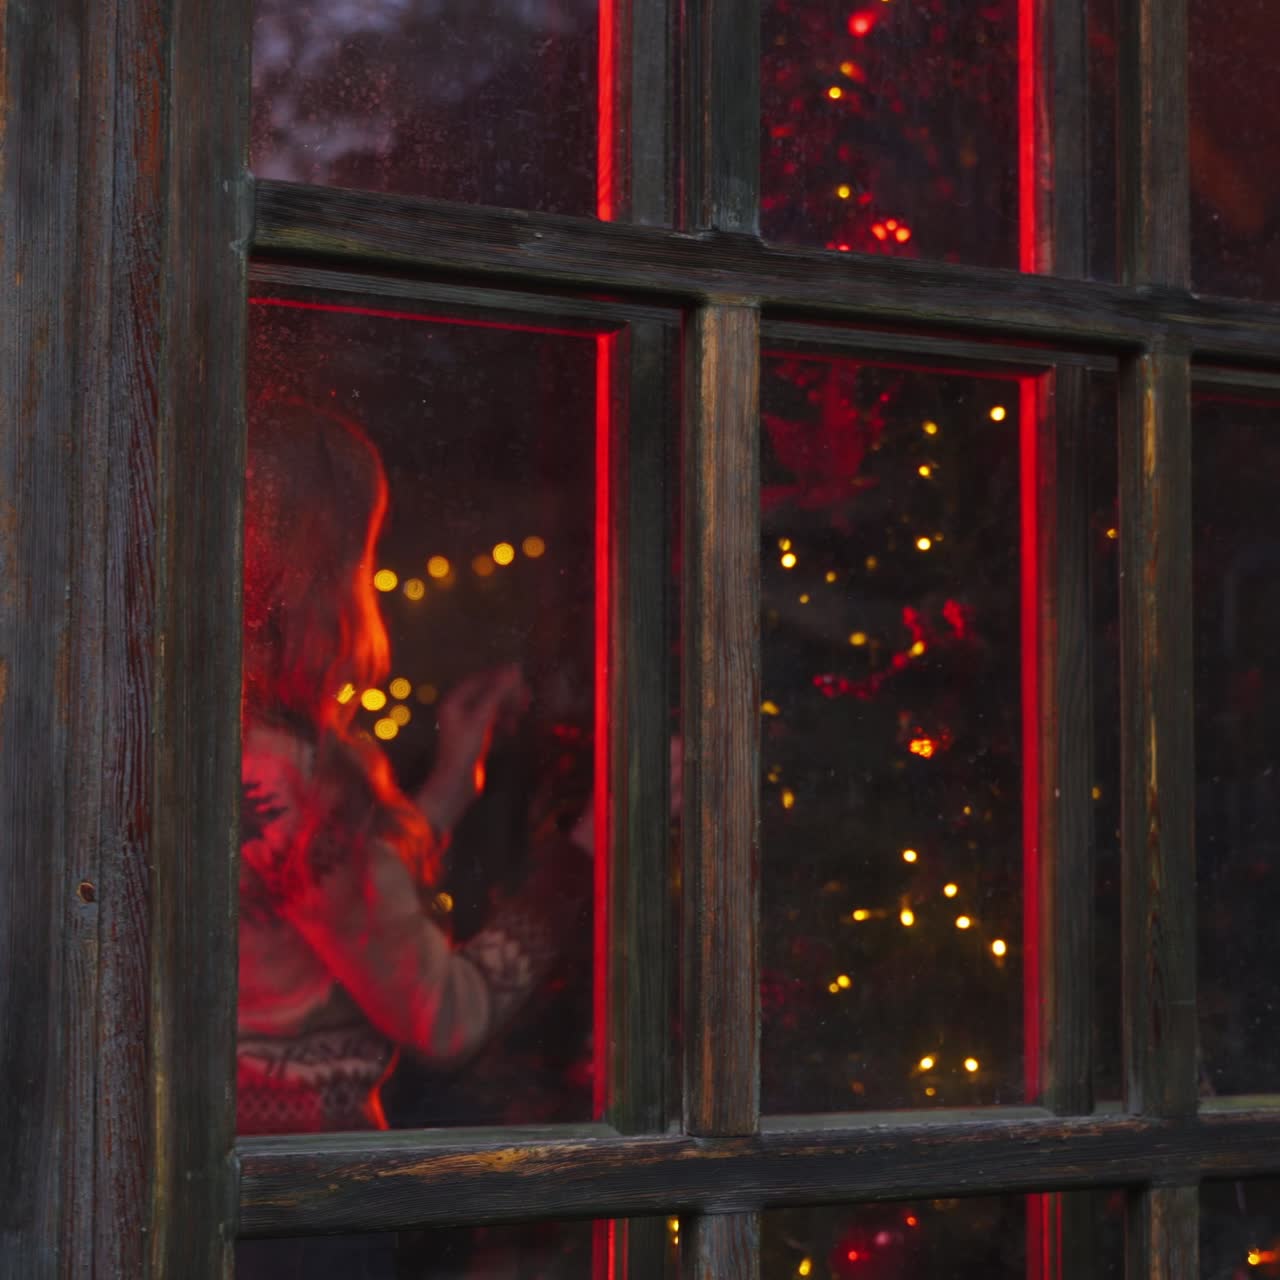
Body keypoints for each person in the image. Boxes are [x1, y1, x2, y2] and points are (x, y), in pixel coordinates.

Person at [236, 396, 593, 1137]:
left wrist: (443, 793)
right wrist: (587, 855)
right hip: (300, 1207)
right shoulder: (291, 774)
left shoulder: (219, 740)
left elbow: (318, 905)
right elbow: (445, 1015)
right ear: (326, 567)